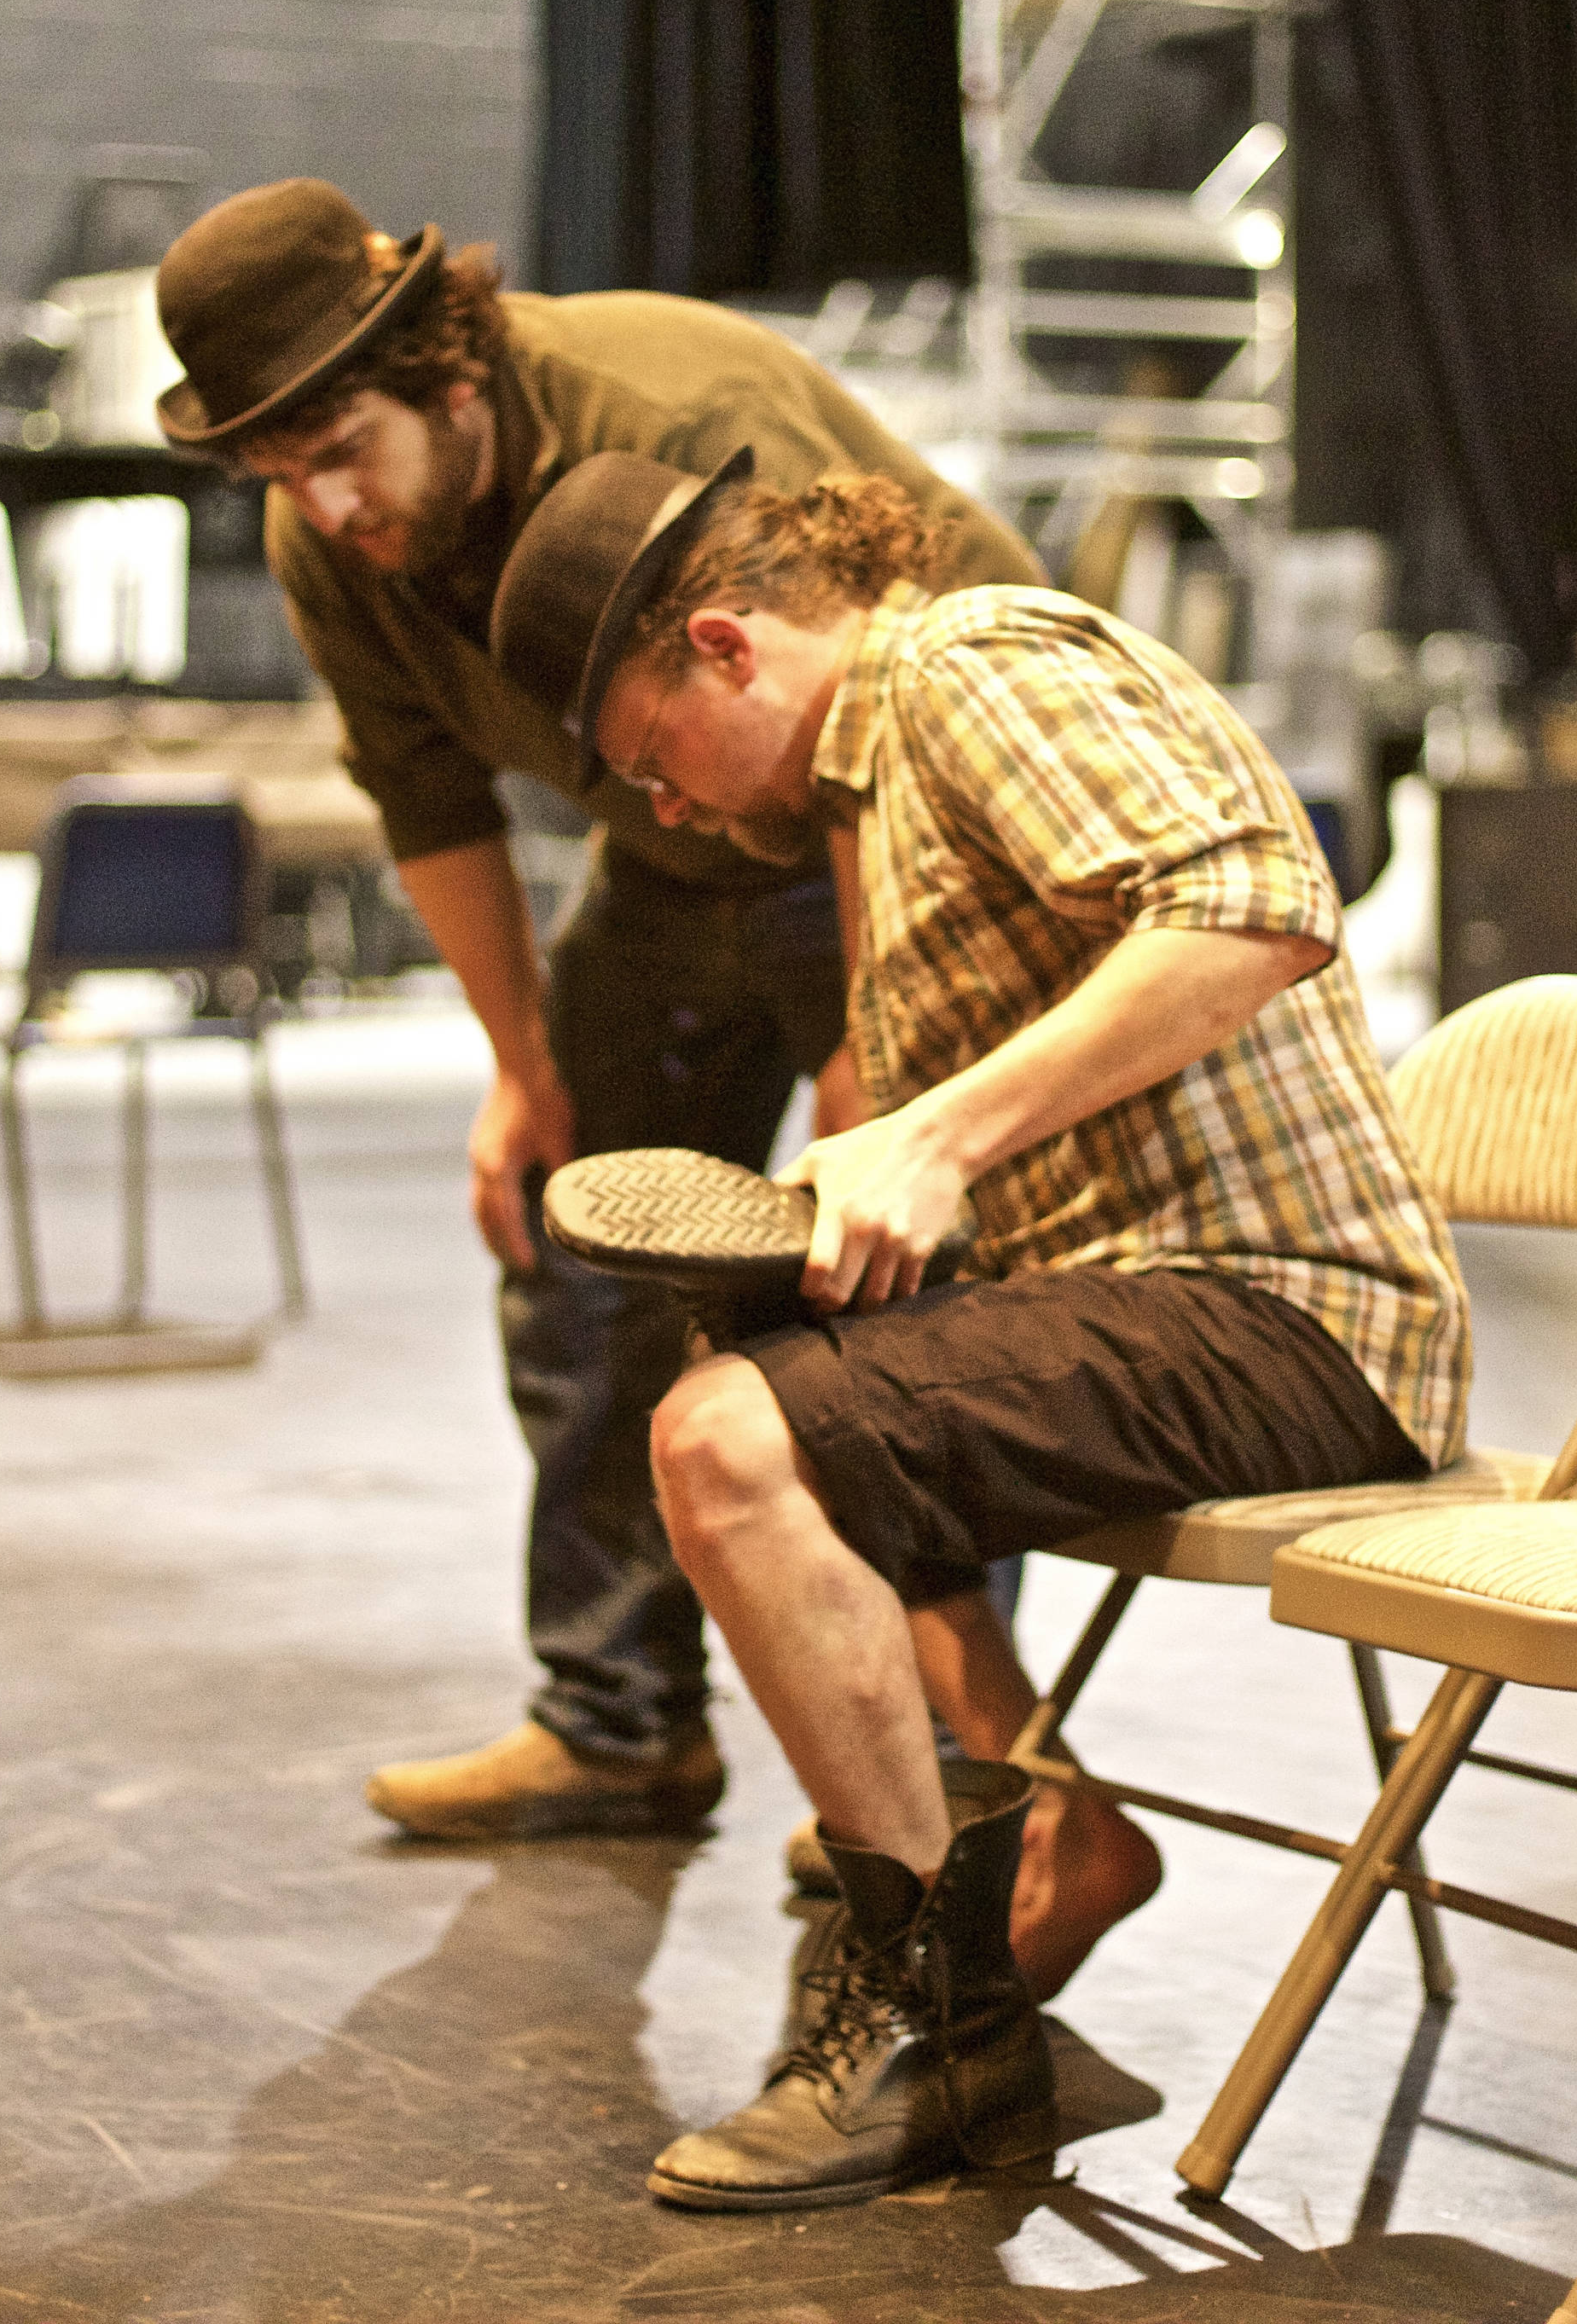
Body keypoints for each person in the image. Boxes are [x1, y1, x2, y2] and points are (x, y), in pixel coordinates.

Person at [486, 449, 1471, 2212]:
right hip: (1146, 1292)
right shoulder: (874, 796)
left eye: (657, 767)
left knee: (727, 1442)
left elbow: (1259, 904)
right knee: (778, 1372)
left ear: (721, 644)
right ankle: (1047, 1830)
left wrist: (941, 1138)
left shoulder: (968, 666)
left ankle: (936, 2039)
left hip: (1286, 1313)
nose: (687, 820)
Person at [153, 179, 1045, 1840]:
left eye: (340, 449)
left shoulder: (668, 412)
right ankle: (620, 1719)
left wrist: (882, 1061)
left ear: (446, 376)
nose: (324, 504)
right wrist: (517, 1070)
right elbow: (428, 798)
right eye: (278, 470)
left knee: (891, 1281)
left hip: (902, 818)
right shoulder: (325, 528)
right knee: (573, 1231)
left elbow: (870, 718)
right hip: (675, 836)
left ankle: (941, 1769)